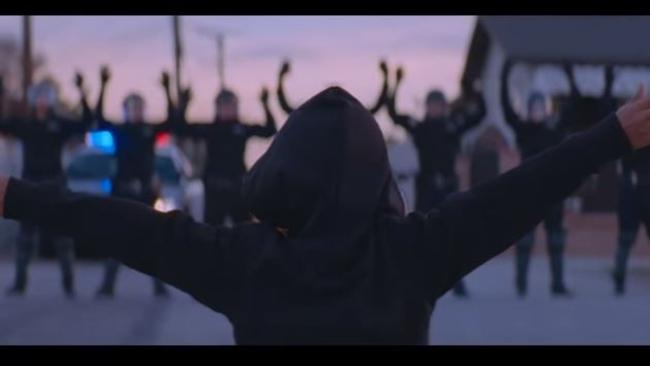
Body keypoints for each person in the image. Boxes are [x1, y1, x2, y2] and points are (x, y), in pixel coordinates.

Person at [0, 84, 645, 344]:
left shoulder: (242, 262)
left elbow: (113, 222)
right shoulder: (415, 253)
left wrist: (12, 195)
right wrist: (613, 132)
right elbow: (522, 190)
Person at [386, 65, 486, 298]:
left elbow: (480, 114)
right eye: (431, 104)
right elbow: (392, 114)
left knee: (453, 236)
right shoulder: (420, 129)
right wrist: (395, 83)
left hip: (449, 189)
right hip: (426, 189)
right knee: (422, 236)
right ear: (427, 107)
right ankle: (416, 281)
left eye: (439, 104)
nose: (435, 108)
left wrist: (475, 89)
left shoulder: (453, 128)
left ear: (444, 106)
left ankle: (457, 283)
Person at [0, 73, 93, 298]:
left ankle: (69, 285)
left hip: (54, 185)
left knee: (62, 237)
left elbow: (85, 123)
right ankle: (20, 283)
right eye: (38, 98)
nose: (42, 102)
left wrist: (82, 93)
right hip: (30, 182)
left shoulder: (58, 125)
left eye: (46, 97)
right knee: (25, 237)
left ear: (50, 100)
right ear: (33, 101)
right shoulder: (27, 125)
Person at [501, 60, 584, 297]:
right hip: (527, 193)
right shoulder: (523, 130)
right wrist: (506, 75)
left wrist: (570, 76)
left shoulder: (554, 131)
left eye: (540, 106)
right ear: (529, 109)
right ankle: (521, 284)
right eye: (533, 106)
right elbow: (506, 109)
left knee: (556, 241)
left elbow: (574, 104)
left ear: (545, 109)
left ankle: (557, 284)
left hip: (552, 193)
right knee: (525, 241)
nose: (537, 110)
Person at [93, 66, 172, 298]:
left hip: (146, 192)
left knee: (152, 239)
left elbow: (173, 121)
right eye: (132, 107)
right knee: (116, 239)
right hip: (122, 191)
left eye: (139, 107)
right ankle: (108, 285)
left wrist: (168, 90)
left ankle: (159, 286)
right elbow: (98, 119)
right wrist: (103, 86)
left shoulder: (149, 131)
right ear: (125, 110)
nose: (136, 111)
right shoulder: (119, 131)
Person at [168, 82, 276, 226]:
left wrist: (265, 103)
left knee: (244, 231)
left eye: (231, 105)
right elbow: (180, 129)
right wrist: (184, 104)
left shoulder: (241, 128)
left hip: (237, 188)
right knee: (212, 232)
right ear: (217, 108)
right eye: (224, 106)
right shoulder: (211, 129)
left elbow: (269, 131)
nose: (228, 109)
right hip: (215, 189)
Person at [276, 59, 388, 115]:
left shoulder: (312, 115)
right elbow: (377, 107)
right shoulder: (352, 115)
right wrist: (386, 77)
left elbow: (286, 107)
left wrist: (280, 78)